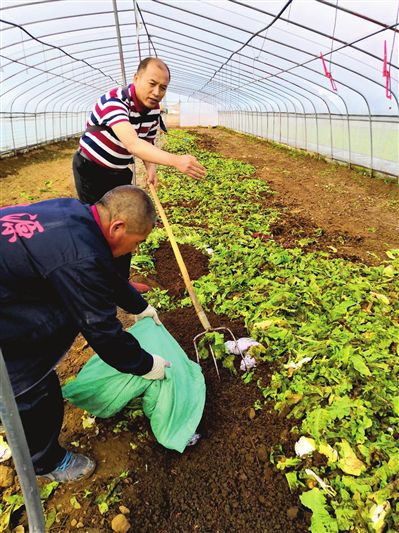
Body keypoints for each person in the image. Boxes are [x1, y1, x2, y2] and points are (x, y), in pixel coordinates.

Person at [0, 186, 170, 483]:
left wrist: (139, 306)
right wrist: (145, 365)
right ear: (118, 227)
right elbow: (102, 331)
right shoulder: (80, 256)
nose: (136, 250)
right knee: (34, 386)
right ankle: (44, 461)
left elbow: (103, 272)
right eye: (138, 241)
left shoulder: (75, 214)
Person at [73, 57, 205, 283]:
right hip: (91, 170)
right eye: (151, 84)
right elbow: (133, 143)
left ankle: (121, 282)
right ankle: (95, 282)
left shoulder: (153, 111)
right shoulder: (114, 101)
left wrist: (151, 169)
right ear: (136, 79)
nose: (156, 92)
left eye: (162, 88)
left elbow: (148, 141)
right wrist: (175, 160)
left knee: (126, 228)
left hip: (120, 171)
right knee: (98, 228)